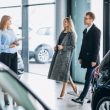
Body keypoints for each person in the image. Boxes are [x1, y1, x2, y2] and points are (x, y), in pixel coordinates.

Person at [72, 12, 101, 104]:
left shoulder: (96, 30)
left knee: (88, 78)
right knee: (93, 80)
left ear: (92, 19)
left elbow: (97, 46)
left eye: (87, 18)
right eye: (84, 18)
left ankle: (81, 98)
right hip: (86, 58)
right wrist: (80, 57)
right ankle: (94, 98)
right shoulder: (85, 30)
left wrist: (94, 60)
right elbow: (83, 45)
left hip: (93, 60)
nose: (85, 19)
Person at [48, 17, 77, 98]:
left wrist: (63, 47)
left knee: (65, 71)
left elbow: (73, 46)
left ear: (69, 23)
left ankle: (63, 91)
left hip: (66, 56)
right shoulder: (62, 32)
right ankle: (74, 86)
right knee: (66, 71)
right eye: (64, 22)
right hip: (59, 54)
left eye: (66, 22)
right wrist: (56, 47)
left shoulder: (72, 34)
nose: (64, 23)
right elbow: (59, 43)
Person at [0, 15, 19, 105]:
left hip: (14, 54)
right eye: (10, 21)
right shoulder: (0, 32)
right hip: (5, 56)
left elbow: (15, 40)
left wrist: (17, 42)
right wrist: (9, 46)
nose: (11, 22)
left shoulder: (11, 30)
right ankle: (6, 96)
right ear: (5, 21)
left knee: (15, 75)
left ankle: (15, 96)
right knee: (6, 77)